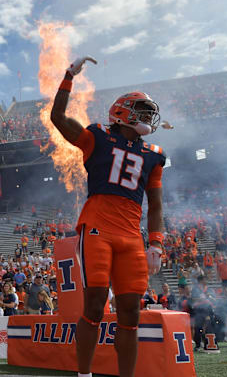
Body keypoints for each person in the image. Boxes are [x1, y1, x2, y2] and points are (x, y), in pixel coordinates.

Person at [50, 56, 166, 377]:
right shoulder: (98, 137)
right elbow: (58, 116)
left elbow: (155, 204)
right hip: (98, 227)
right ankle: (84, 374)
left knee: (131, 312)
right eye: (141, 112)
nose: (147, 118)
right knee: (95, 304)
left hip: (131, 236)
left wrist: (155, 243)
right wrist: (68, 77)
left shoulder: (153, 156)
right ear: (121, 112)